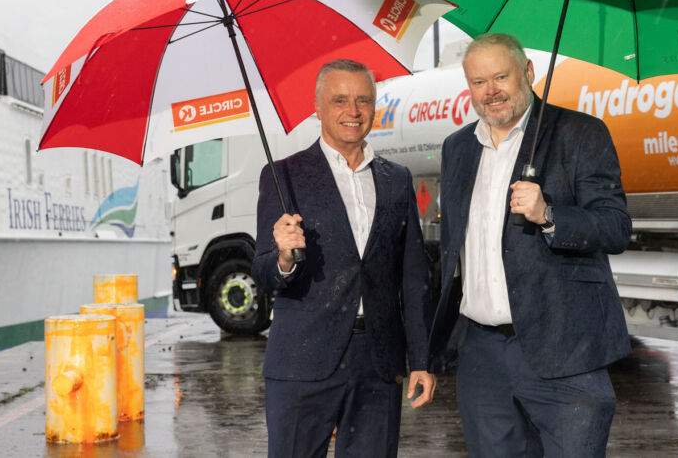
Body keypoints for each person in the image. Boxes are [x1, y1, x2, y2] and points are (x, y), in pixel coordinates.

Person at [428, 33, 632, 457]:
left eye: (501, 77)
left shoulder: (580, 133)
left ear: (529, 72)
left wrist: (549, 215)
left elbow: (615, 227)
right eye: (478, 82)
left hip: (564, 350)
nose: (491, 91)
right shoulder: (457, 148)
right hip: (481, 355)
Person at [252, 58, 436, 458]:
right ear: (318, 107)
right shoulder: (283, 176)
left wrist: (421, 359)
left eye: (363, 100)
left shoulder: (397, 178)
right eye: (339, 100)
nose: (353, 111)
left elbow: (413, 276)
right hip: (302, 360)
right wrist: (284, 257)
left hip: (378, 362)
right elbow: (263, 273)